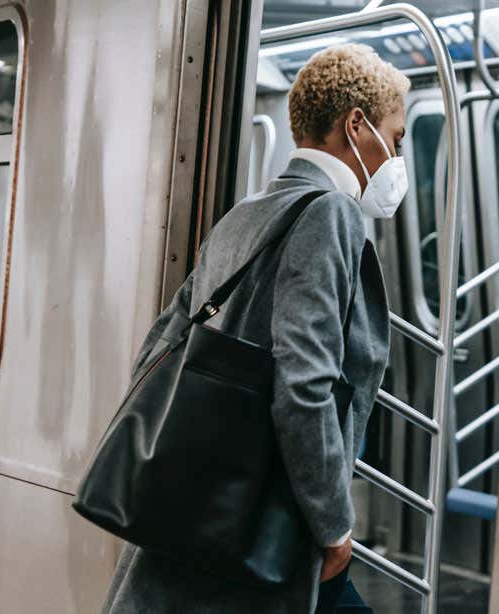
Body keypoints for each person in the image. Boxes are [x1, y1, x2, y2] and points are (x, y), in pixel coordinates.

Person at [101, 43, 409, 614]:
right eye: (395, 139)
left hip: (203, 507)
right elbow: (304, 384)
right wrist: (334, 526)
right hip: (263, 524)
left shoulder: (243, 216)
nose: (396, 158)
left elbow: (159, 347)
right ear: (355, 123)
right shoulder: (330, 214)